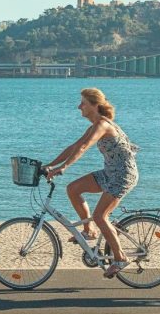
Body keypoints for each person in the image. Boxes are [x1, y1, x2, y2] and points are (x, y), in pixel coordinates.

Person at [41, 87, 139, 279]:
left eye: (83, 103)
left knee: (100, 216)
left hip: (123, 175)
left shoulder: (103, 125)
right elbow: (75, 146)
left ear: (94, 105)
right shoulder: (94, 125)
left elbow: (84, 147)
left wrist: (64, 167)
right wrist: (50, 165)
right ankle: (89, 231)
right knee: (73, 189)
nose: (79, 107)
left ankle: (120, 258)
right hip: (110, 173)